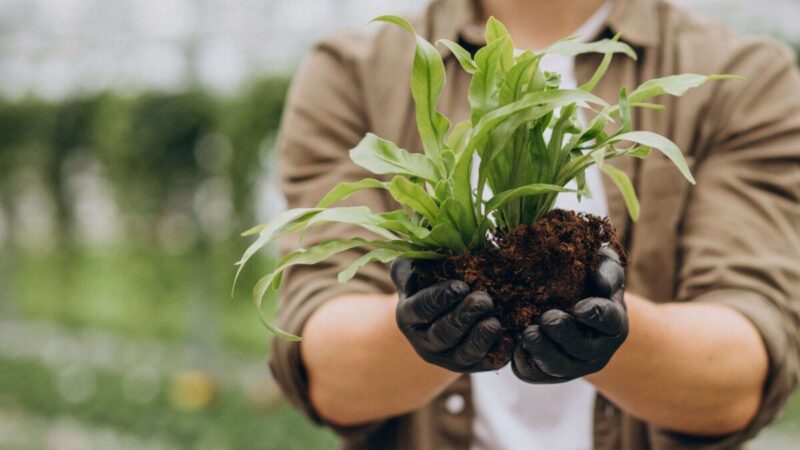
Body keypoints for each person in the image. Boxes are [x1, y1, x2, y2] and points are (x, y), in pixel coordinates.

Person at [269, 0, 800, 448]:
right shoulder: (354, 70)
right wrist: (428, 321)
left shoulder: (744, 75)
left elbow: (741, 372)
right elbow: (326, 370)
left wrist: (601, 320)